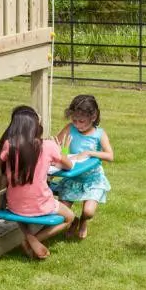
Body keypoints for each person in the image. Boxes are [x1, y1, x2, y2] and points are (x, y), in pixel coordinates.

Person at [0, 105, 75, 260]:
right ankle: (33, 239)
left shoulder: (9, 145)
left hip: (14, 205)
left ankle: (28, 236)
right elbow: (68, 165)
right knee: (70, 217)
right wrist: (63, 150)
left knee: (20, 213)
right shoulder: (48, 146)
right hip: (41, 204)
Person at [50, 94, 114, 240]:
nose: (77, 124)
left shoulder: (99, 134)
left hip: (92, 179)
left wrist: (89, 153)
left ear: (93, 117)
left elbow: (110, 156)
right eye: (74, 120)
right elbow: (57, 146)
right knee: (61, 211)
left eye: (82, 121)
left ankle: (83, 220)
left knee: (89, 212)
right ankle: (74, 220)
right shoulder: (70, 128)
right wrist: (63, 152)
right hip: (73, 178)